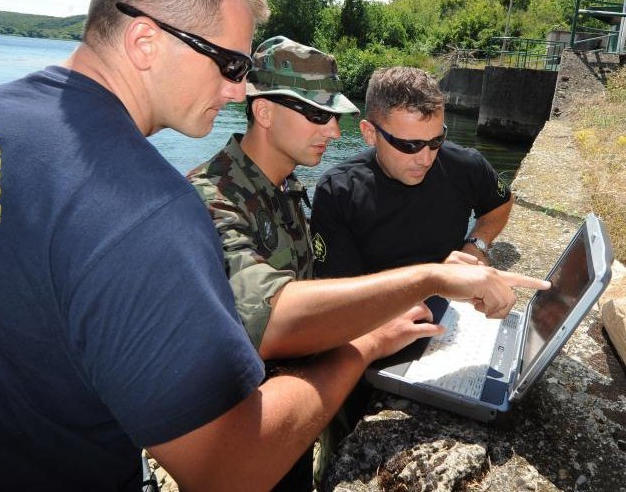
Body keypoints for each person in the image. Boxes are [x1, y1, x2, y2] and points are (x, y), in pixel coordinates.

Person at [188, 38, 545, 487]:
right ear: (264, 112)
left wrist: (471, 251)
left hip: (295, 412)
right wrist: (427, 281)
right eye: (318, 115)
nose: (334, 131)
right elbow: (271, 321)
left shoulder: (284, 190)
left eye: (334, 116)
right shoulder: (213, 199)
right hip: (249, 437)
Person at [310, 66, 515, 279]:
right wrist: (427, 282)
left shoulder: (465, 165)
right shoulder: (338, 192)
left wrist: (476, 244)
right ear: (370, 133)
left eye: (436, 140)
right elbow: (338, 290)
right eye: (409, 145)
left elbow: (501, 204)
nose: (426, 159)